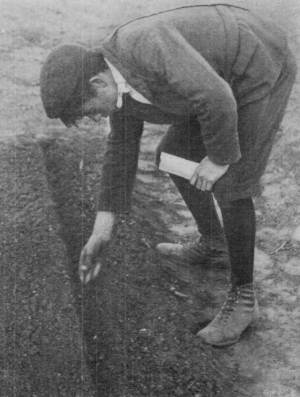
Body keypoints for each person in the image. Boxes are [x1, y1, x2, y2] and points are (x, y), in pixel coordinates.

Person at [40, 3, 297, 346]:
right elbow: (121, 152)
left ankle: (244, 299)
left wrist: (219, 159)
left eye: (87, 113)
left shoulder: (145, 48)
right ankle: (215, 244)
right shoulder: (117, 83)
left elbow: (217, 97)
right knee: (172, 155)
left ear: (97, 83)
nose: (92, 119)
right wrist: (102, 231)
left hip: (255, 64)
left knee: (232, 183)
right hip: (212, 78)